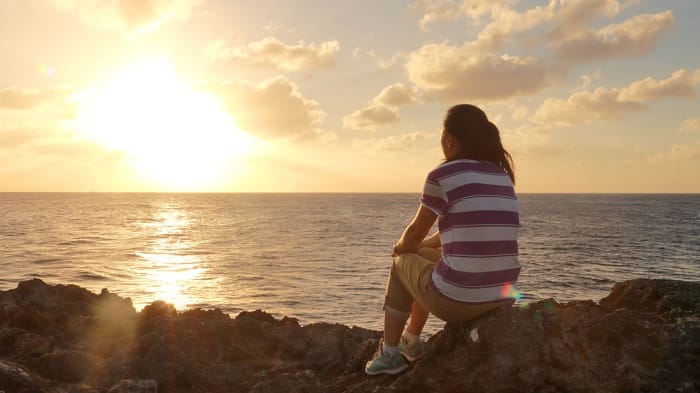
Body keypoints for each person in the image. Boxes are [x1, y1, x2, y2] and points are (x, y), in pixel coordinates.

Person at [365, 104, 521, 375]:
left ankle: (391, 353)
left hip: (460, 301)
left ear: (449, 139)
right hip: (502, 295)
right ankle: (411, 342)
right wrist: (422, 248)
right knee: (422, 260)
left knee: (402, 264)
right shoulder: (501, 176)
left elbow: (414, 233)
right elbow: (460, 227)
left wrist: (401, 249)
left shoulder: (443, 176)